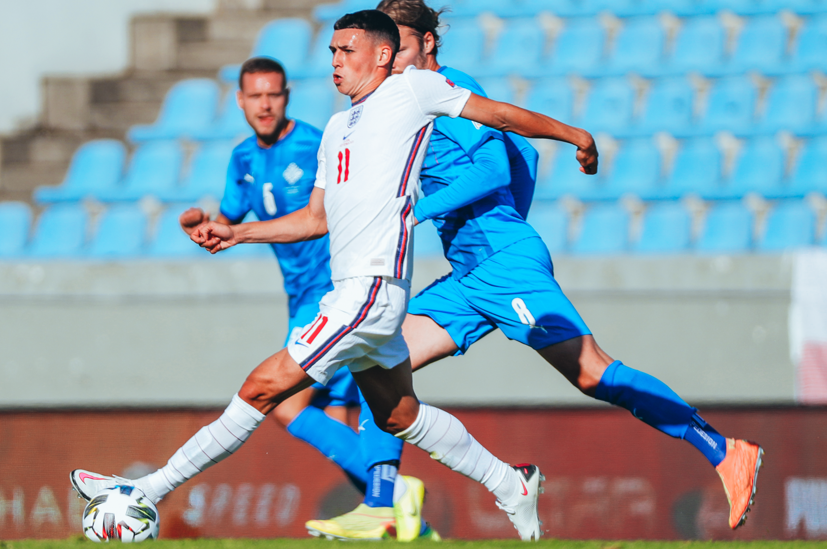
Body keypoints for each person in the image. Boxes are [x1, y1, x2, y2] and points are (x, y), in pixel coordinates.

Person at [71, 10, 598, 542]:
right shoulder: (338, 128)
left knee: (261, 391)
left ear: (383, 54)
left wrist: (574, 134)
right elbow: (313, 220)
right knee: (398, 416)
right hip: (356, 295)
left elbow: (501, 117)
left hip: (369, 293)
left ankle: (146, 490)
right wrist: (236, 234)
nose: (335, 63)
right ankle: (512, 484)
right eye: (332, 52)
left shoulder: (413, 90)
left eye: (347, 51)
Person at [359, 0, 757, 533]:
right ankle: (386, 506)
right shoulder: (409, 101)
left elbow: (499, 164)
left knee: (592, 372)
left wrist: (431, 214)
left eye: (401, 47)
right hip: (470, 276)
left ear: (428, 42)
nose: (392, 63)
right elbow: (529, 157)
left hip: (504, 266)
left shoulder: (447, 87)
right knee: (377, 363)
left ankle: (723, 449)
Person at [177, 56, 438, 541]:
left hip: (335, 291)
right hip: (299, 295)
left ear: (286, 96)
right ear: (240, 100)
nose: (264, 105)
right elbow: (230, 220)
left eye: (272, 94)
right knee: (336, 418)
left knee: (285, 405)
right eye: (254, 96)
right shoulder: (242, 159)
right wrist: (203, 225)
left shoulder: (317, 139)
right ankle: (408, 524)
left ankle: (397, 496)